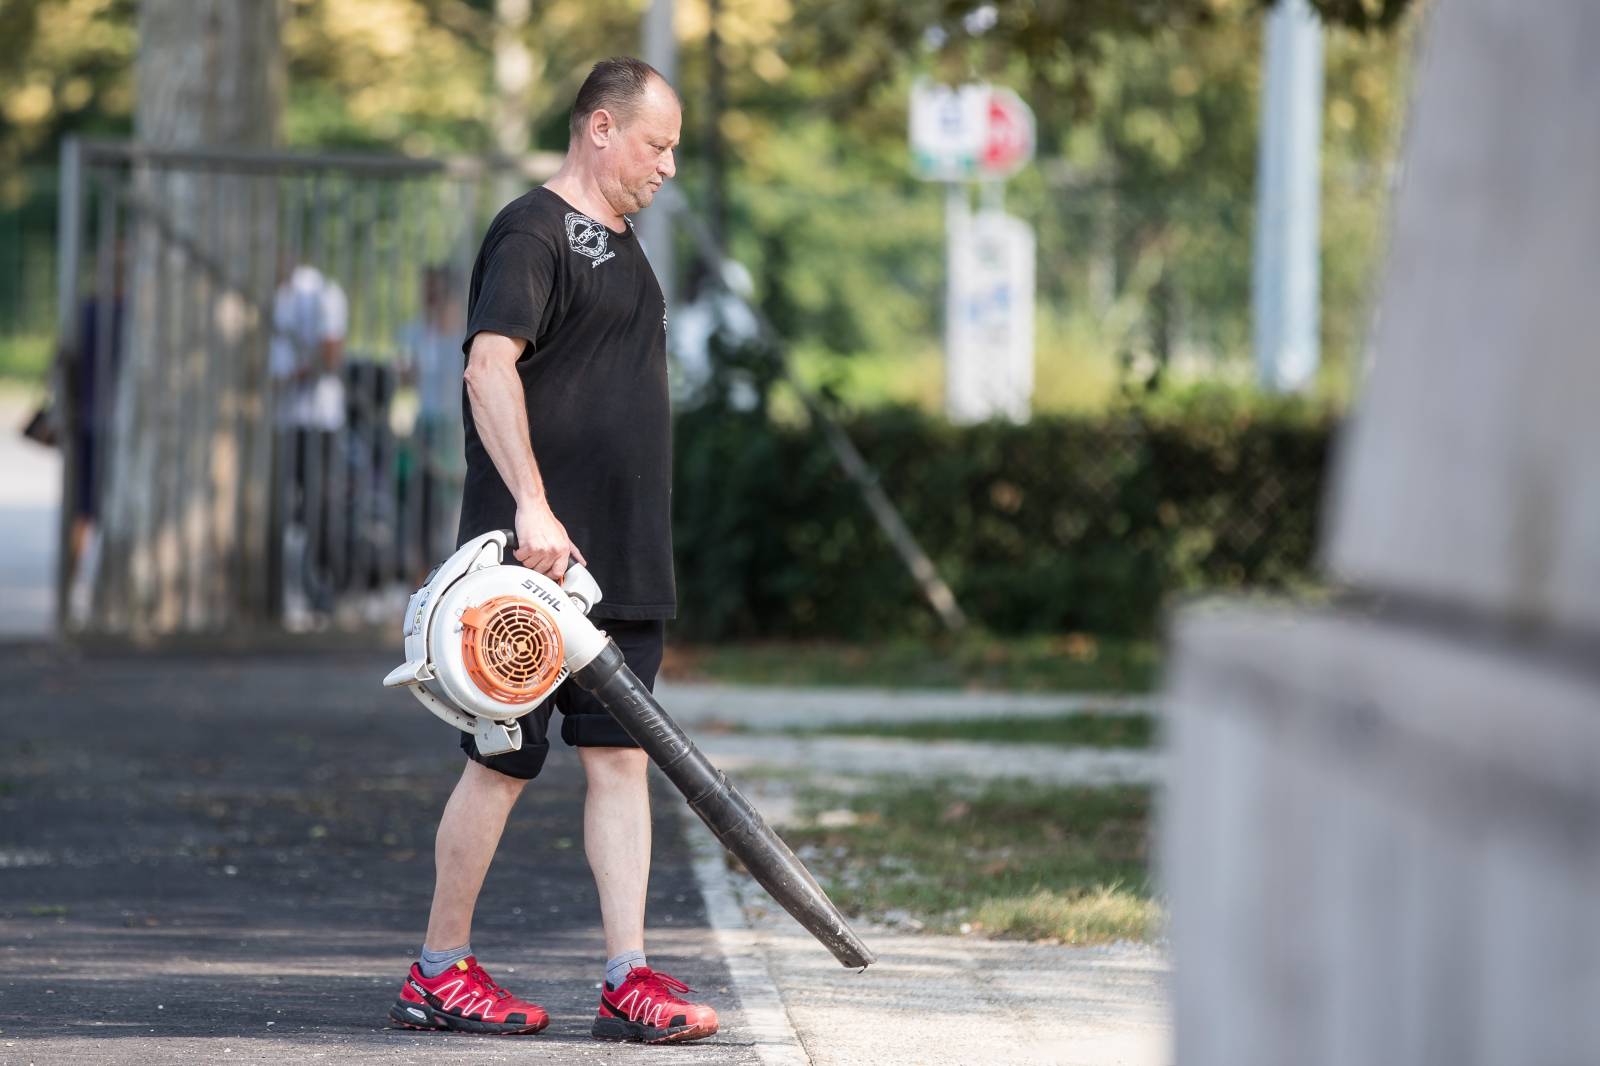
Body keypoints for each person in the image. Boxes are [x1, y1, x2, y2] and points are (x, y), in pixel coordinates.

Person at [388, 57, 717, 1045]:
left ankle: (628, 976)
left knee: (621, 762)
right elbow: (489, 367)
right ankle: (438, 971)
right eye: (656, 144)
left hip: (621, 563)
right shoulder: (534, 231)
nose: (667, 166)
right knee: (502, 760)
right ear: (601, 128)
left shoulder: (623, 247)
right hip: (526, 573)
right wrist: (532, 506)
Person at [268, 260, 348, 630]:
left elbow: (331, 354)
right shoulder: (280, 296)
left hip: (318, 421)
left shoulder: (322, 294)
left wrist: (289, 377)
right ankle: (288, 592)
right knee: (287, 511)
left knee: (319, 509)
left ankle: (324, 589)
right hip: (286, 421)